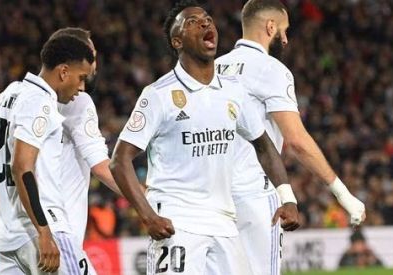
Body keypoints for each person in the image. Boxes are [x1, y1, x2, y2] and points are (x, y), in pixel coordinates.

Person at [109, 1, 298, 274]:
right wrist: (148, 216)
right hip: (178, 223)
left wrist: (287, 197)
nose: (205, 23)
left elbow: (264, 145)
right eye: (192, 22)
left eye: (207, 18)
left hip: (224, 222)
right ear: (177, 42)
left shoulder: (233, 91)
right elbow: (120, 160)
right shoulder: (158, 95)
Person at [215, 0, 366, 274]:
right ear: (270, 26)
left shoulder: (209, 69)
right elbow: (296, 140)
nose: (285, 38)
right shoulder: (271, 69)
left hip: (210, 196)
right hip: (253, 195)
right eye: (284, 30)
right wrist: (343, 195)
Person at [0, 34, 94, 274]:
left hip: (7, 240)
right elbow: (22, 168)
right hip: (42, 232)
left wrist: (7, 123)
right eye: (81, 78)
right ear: (63, 72)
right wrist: (44, 232)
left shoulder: (12, 93)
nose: (81, 88)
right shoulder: (41, 102)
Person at [50, 27, 123, 275]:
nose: (94, 59)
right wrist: (145, 196)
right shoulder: (78, 103)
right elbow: (102, 168)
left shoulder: (19, 97)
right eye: (90, 52)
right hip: (60, 235)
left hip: (24, 234)